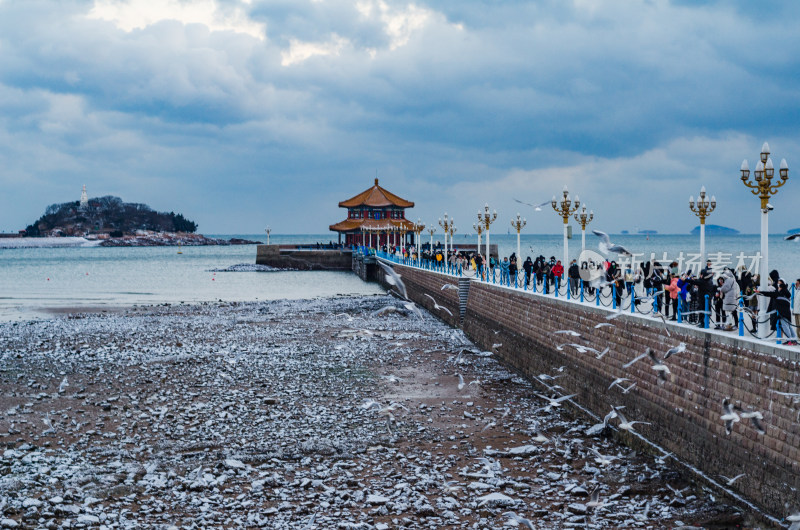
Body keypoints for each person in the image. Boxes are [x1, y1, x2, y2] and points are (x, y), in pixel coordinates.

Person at [757, 278, 797, 345]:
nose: (778, 287)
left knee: (785, 326)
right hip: (788, 312)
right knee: (789, 326)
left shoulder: (778, 294)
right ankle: (794, 339)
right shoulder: (787, 293)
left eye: (779, 286)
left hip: (782, 313)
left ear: (780, 287)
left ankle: (789, 340)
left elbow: (768, 294)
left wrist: (759, 292)